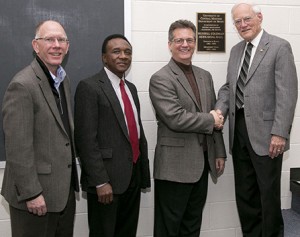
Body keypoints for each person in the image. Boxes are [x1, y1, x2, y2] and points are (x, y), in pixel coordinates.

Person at [215, 3, 298, 237]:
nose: (243, 25)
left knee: (268, 196)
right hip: (238, 133)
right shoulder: (235, 51)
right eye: (238, 22)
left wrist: (280, 132)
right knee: (245, 194)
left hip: (268, 136)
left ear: (259, 17)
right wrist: (219, 111)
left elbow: (288, 92)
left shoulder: (280, 47)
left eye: (247, 19)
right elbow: (229, 88)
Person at [1, 20, 79, 237]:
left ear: (68, 46)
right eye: (50, 40)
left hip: (62, 194)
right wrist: (31, 193)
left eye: (61, 40)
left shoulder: (63, 80)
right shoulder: (22, 85)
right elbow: (17, 148)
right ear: (36, 46)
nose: (57, 45)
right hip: (36, 198)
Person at [149, 19, 226, 237]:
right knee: (168, 228)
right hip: (174, 168)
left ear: (195, 43)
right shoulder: (160, 78)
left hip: (202, 164)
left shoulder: (205, 75)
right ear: (170, 44)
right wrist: (210, 120)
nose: (185, 44)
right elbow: (176, 118)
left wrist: (218, 152)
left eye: (190, 40)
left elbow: (214, 114)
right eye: (179, 40)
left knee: (192, 226)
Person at [74, 34, 151, 237]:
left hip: (132, 178)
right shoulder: (89, 87)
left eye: (127, 52)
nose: (123, 56)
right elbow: (85, 140)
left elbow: (136, 133)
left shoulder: (131, 89)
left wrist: (142, 173)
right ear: (104, 57)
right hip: (106, 182)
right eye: (116, 51)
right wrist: (100, 181)